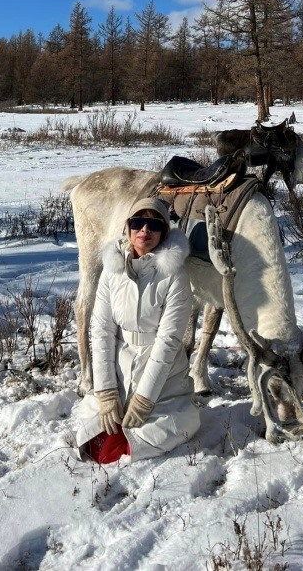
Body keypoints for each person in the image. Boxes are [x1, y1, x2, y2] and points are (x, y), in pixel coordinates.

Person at [73, 197, 200, 463]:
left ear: (164, 231)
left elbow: (168, 341)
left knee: (141, 439)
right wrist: (106, 392)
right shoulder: (113, 270)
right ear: (127, 227)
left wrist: (144, 398)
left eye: (153, 224)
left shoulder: (175, 275)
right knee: (94, 441)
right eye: (138, 222)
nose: (145, 231)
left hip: (163, 379)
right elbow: (102, 330)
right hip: (120, 368)